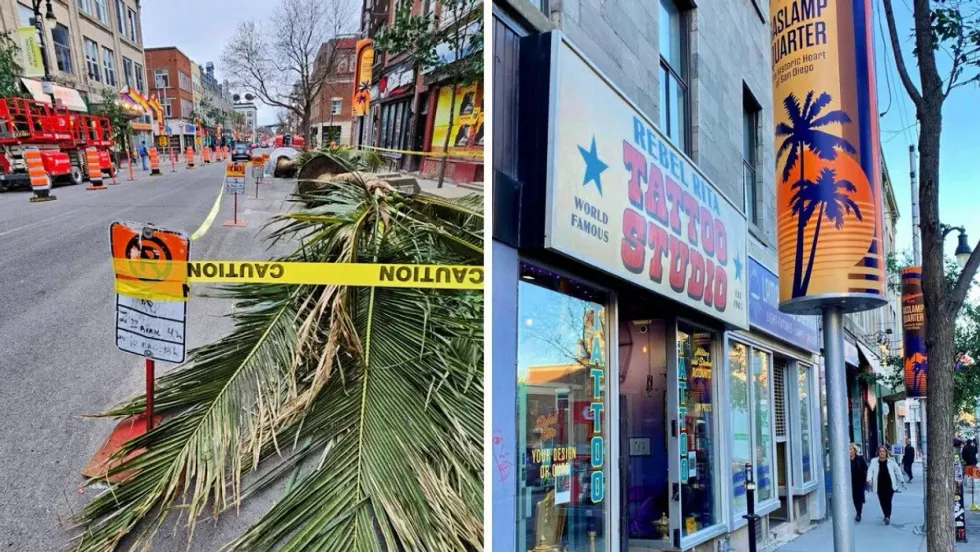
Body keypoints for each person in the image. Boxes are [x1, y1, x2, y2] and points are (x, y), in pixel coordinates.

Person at [867, 445, 906, 525]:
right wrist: (869, 478)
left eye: (883, 451)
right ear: (878, 452)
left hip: (889, 484)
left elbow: (898, 471)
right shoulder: (874, 461)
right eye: (880, 451)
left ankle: (888, 516)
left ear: (886, 452)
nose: (882, 453)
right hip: (879, 484)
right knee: (882, 501)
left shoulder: (891, 461)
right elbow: (870, 470)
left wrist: (901, 480)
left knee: (888, 500)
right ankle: (885, 514)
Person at [850, 444, 868, 522]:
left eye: (850, 449)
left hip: (859, 481)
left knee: (859, 499)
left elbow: (865, 468)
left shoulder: (860, 458)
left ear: (855, 450)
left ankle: (858, 514)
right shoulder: (845, 460)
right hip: (850, 482)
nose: (849, 451)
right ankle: (857, 512)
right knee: (854, 498)